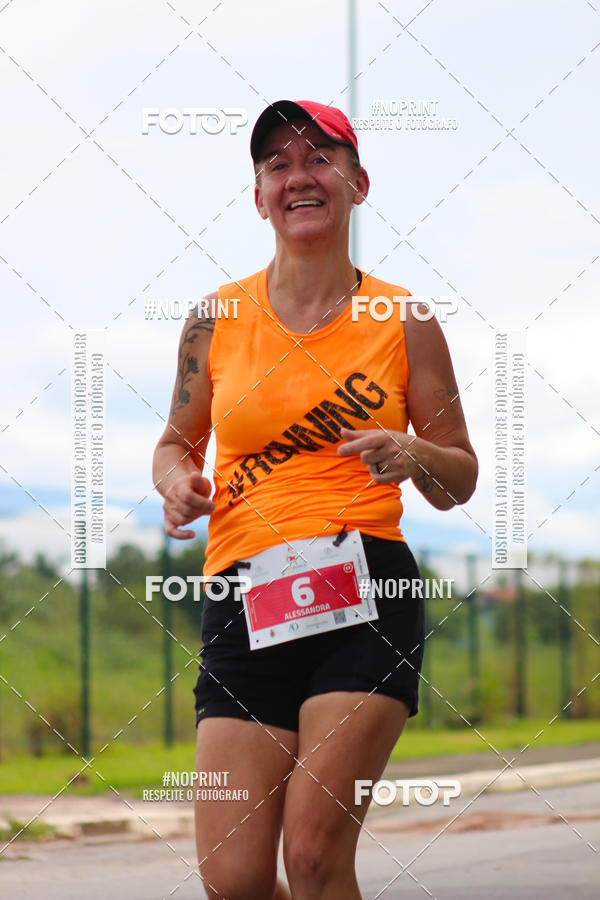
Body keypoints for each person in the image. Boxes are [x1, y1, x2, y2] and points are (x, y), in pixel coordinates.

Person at [152, 99, 478, 900]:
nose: (299, 175)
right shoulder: (214, 318)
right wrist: (176, 485)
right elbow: (173, 445)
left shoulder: (405, 319)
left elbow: (459, 476)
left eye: (319, 158)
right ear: (259, 195)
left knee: (313, 856)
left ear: (356, 182)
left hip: (365, 588)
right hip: (242, 592)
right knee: (232, 879)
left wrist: (413, 452)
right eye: (277, 164)